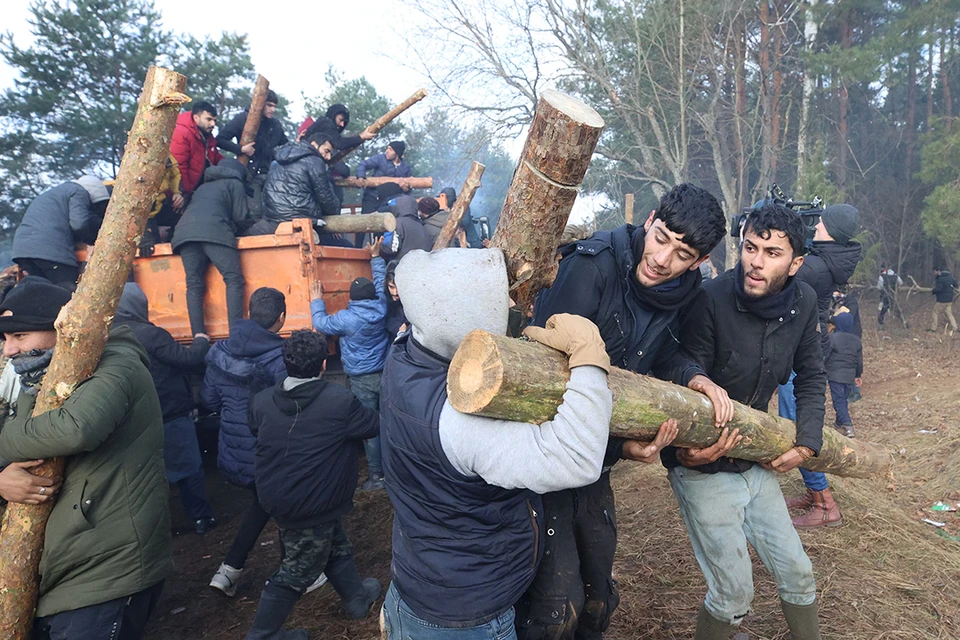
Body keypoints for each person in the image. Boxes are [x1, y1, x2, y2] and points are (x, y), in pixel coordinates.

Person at [516, 183, 734, 640]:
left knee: (599, 596)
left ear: (697, 262)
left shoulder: (686, 294)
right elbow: (549, 379)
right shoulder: (591, 266)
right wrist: (620, 441)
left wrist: (696, 377)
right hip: (546, 459)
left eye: (681, 253)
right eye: (661, 238)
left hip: (596, 465)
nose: (662, 259)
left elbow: (667, 356)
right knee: (558, 605)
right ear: (651, 220)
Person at [380, 247, 614, 639]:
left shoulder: (405, 351)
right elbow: (577, 458)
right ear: (463, 318)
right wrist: (589, 356)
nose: (511, 302)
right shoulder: (458, 420)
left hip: (423, 581)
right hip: (467, 617)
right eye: (498, 296)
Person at [664, 202, 826, 640]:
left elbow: (811, 374)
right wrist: (696, 377)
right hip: (703, 464)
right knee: (734, 594)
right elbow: (681, 357)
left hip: (755, 459)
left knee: (799, 572)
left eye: (772, 253)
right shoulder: (711, 297)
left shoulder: (805, 302)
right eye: (750, 247)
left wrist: (808, 443)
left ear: (795, 264)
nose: (755, 262)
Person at [0, 277, 171, 640]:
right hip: (66, 568)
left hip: (105, 572)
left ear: (61, 328)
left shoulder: (118, 361)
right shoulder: (43, 380)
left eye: (20, 336)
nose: (9, 350)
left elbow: (74, 429)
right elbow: (30, 441)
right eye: (4, 338)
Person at [243, 330, 381, 640]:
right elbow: (373, 425)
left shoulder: (263, 400)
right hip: (310, 501)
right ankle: (262, 635)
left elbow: (255, 428)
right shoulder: (339, 401)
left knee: (332, 543)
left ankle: (356, 599)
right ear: (322, 363)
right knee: (299, 569)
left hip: (283, 496)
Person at [206, 288, 326, 597]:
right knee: (286, 505)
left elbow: (208, 399)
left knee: (263, 505)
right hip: (269, 452)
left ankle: (228, 572)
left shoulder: (220, 351)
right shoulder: (280, 357)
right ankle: (300, 573)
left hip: (234, 452)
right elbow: (291, 406)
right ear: (281, 318)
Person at [780, 203, 860, 528]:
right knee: (796, 418)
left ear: (830, 229)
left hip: (801, 350)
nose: (816, 226)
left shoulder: (813, 267)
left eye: (821, 222)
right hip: (810, 345)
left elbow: (780, 276)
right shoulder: (829, 258)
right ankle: (814, 495)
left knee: (797, 422)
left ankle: (824, 502)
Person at [113, 282, 217, 534]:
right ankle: (201, 519)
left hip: (132, 418)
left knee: (148, 475)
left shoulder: (109, 335)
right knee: (189, 466)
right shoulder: (151, 334)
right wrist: (201, 341)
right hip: (168, 412)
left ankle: (156, 528)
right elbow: (188, 360)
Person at [310, 238, 390, 491]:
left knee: (370, 426)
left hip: (360, 379)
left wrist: (316, 299)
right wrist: (376, 258)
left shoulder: (346, 318)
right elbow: (379, 285)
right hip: (384, 373)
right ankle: (398, 470)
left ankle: (376, 476)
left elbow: (321, 323)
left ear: (352, 298)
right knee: (390, 422)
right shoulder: (380, 308)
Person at [171, 158, 254, 335]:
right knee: (233, 279)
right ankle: (236, 334)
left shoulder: (202, 187)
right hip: (214, 232)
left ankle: (199, 336)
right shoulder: (235, 183)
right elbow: (241, 217)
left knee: (194, 285)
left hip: (184, 235)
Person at [12, 175, 109, 289]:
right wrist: (92, 240)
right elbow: (79, 224)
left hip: (23, 250)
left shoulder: (54, 194)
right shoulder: (78, 190)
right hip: (49, 252)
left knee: (44, 293)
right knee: (67, 293)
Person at [252, 133, 339, 236]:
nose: (328, 157)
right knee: (346, 245)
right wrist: (335, 211)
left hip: (273, 219)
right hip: (301, 220)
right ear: (314, 144)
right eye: (327, 151)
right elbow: (325, 198)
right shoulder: (315, 161)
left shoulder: (276, 161)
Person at [216, 90, 289, 211]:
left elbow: (285, 145)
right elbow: (220, 140)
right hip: (250, 175)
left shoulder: (275, 125)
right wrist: (241, 149)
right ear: (261, 104)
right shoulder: (243, 119)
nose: (272, 110)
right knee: (254, 212)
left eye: (274, 106)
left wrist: (297, 143)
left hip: (271, 176)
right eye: (269, 105)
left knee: (275, 211)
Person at [170, 100, 223, 199]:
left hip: (194, 192)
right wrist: (179, 192)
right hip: (177, 196)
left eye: (214, 120)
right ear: (196, 117)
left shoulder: (207, 135)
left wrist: (232, 164)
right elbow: (177, 165)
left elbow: (214, 157)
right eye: (209, 119)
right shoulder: (181, 133)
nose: (213, 124)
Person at [824, 312, 862, 438]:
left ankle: (847, 425)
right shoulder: (856, 341)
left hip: (835, 374)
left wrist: (821, 368)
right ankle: (839, 422)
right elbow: (858, 361)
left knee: (838, 399)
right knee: (843, 399)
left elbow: (826, 355)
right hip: (849, 375)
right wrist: (858, 375)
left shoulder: (832, 338)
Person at [356, 142, 411, 213]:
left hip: (391, 202)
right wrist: (361, 176)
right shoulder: (380, 159)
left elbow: (409, 189)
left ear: (397, 153)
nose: (387, 151)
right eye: (387, 148)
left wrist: (406, 189)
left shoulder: (405, 168)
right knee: (366, 220)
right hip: (372, 197)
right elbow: (363, 164)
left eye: (390, 149)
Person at [380, 194, 433, 262]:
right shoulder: (421, 226)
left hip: (400, 267)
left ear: (396, 208)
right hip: (420, 266)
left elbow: (390, 248)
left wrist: (379, 247)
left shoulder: (396, 224)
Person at [930, 266, 958, 333]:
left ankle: (933, 328)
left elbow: (939, 289)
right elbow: (956, 285)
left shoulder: (940, 279)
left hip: (942, 300)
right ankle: (955, 328)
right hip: (949, 300)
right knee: (949, 313)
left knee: (935, 312)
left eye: (935, 271)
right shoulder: (950, 277)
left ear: (938, 271)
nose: (934, 273)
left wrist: (933, 291)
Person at [384, 259, 407, 340]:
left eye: (398, 287)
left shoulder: (410, 303)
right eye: (391, 287)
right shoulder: (383, 299)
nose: (395, 292)